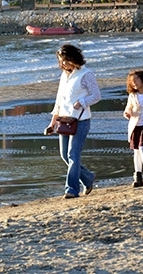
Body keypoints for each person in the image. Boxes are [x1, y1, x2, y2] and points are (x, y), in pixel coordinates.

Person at [45, 44, 100, 199]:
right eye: (60, 61)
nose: (62, 64)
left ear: (72, 59)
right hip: (64, 120)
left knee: (73, 155)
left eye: (64, 61)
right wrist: (52, 122)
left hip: (80, 120)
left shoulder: (86, 74)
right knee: (65, 155)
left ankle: (71, 190)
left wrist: (82, 101)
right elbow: (59, 100)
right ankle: (88, 177)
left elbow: (96, 95)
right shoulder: (64, 75)